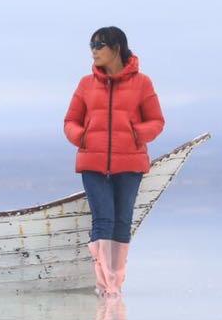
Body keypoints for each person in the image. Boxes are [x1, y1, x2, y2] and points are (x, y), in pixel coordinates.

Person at [63, 27, 165, 296]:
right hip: (92, 163)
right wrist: (82, 137)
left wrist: (135, 134)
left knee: (122, 221)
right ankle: (104, 285)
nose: (94, 50)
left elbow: (156, 121)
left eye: (100, 45)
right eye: (92, 45)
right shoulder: (86, 84)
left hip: (130, 163)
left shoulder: (142, 83)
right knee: (103, 220)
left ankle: (116, 284)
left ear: (117, 47)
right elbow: (70, 121)